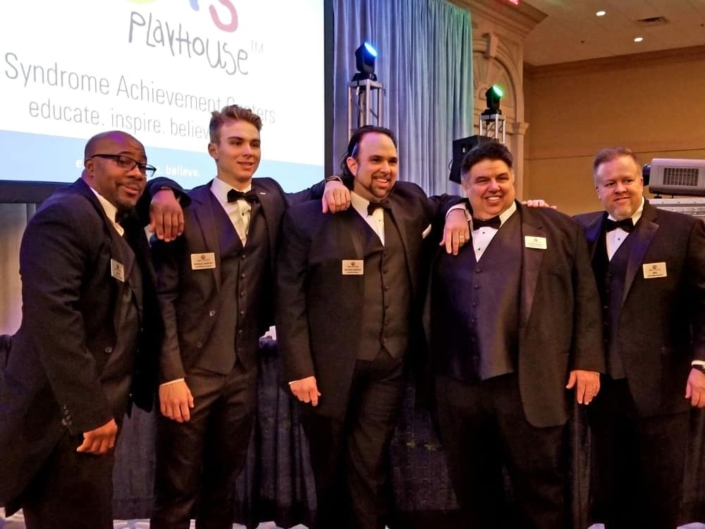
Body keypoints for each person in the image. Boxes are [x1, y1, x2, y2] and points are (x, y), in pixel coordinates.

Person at [149, 104, 348, 529]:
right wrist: (170, 375)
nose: (248, 152)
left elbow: (311, 193)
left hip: (243, 370)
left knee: (224, 486)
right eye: (236, 142)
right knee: (176, 490)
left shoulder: (271, 197)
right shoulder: (185, 206)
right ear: (213, 150)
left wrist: (333, 182)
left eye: (254, 143)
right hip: (189, 372)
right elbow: (161, 298)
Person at [275, 125, 467, 529]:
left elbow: (447, 200)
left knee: (370, 462)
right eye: (376, 160)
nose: (386, 169)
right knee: (328, 466)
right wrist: (299, 368)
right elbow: (289, 297)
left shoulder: (409, 202)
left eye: (392, 160)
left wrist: (455, 212)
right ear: (351, 164)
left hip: (390, 364)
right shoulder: (308, 216)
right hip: (326, 368)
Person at [0, 130, 185, 529]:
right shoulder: (64, 216)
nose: (136, 173)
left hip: (96, 412)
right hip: (64, 419)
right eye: (124, 161)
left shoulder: (117, 217)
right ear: (90, 167)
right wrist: (89, 413)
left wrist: (164, 189)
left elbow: (157, 190)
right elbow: (55, 322)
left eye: (142, 166)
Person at [427, 141, 605, 528]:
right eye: (482, 180)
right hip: (458, 386)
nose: (494, 186)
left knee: (540, 487)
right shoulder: (439, 231)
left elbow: (587, 297)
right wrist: (454, 210)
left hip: (528, 382)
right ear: (464, 186)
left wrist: (587, 360)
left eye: (502, 178)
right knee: (472, 488)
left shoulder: (558, 228)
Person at [575, 147, 705, 528]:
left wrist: (701, 363)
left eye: (627, 180)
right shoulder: (580, 231)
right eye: (610, 183)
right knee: (611, 493)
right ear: (597, 190)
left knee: (660, 494)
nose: (620, 189)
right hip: (604, 389)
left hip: (663, 385)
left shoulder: (683, 230)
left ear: (641, 182)